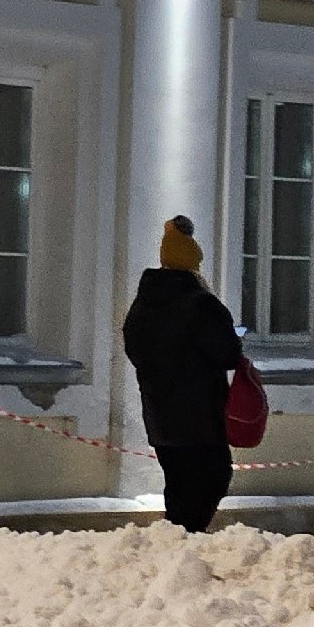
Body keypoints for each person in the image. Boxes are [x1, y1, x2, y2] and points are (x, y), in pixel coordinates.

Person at [121, 215, 243, 533]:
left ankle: (177, 544)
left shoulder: (142, 305)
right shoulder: (201, 305)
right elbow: (229, 354)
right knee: (213, 476)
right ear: (193, 266)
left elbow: (134, 349)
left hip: (160, 415)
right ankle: (187, 542)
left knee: (177, 483)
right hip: (200, 417)